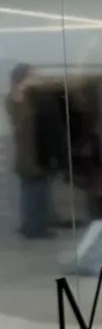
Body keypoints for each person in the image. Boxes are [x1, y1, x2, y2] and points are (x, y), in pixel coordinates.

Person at [5, 63, 53, 238]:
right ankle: (35, 228)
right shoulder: (20, 99)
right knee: (35, 191)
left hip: (29, 152)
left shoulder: (19, 97)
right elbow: (28, 123)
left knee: (31, 191)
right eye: (32, 76)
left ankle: (31, 225)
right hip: (30, 153)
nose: (36, 79)